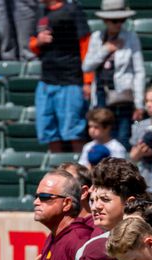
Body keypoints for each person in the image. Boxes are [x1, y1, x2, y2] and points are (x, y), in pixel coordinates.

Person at [82, 0, 144, 149]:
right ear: (106, 20)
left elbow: (139, 71)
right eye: (115, 20)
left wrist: (139, 103)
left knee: (122, 136)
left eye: (122, 20)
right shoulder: (97, 37)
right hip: (101, 93)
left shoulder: (130, 38)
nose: (119, 24)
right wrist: (105, 50)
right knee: (102, 136)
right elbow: (86, 66)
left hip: (123, 95)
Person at [32, 0, 90, 154]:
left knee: (74, 132)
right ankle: (57, 173)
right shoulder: (40, 11)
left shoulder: (72, 10)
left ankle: (79, 172)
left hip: (71, 80)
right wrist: (38, 41)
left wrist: (88, 81)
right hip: (46, 81)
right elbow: (32, 43)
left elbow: (86, 45)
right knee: (48, 131)